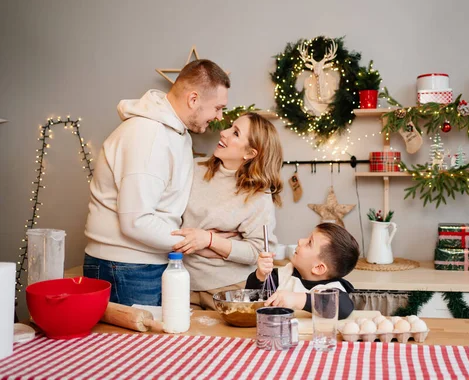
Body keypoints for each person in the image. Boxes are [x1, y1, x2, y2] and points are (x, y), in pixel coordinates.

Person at [83, 59, 230, 306]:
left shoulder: (176, 133)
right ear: (193, 99)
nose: (220, 116)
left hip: (146, 262)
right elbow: (136, 221)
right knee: (131, 346)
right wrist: (195, 244)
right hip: (126, 267)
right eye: (217, 108)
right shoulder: (148, 136)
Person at [171, 112, 283, 310]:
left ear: (250, 153)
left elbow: (259, 251)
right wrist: (224, 244)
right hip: (182, 283)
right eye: (231, 127)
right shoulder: (193, 168)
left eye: (236, 133)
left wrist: (210, 240)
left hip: (230, 289)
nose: (223, 132)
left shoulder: (258, 195)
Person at [245, 223, 360, 319]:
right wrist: (260, 275)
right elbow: (251, 296)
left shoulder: (332, 288)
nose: (300, 241)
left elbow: (344, 307)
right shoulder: (285, 275)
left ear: (318, 268)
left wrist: (296, 299)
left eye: (309, 243)